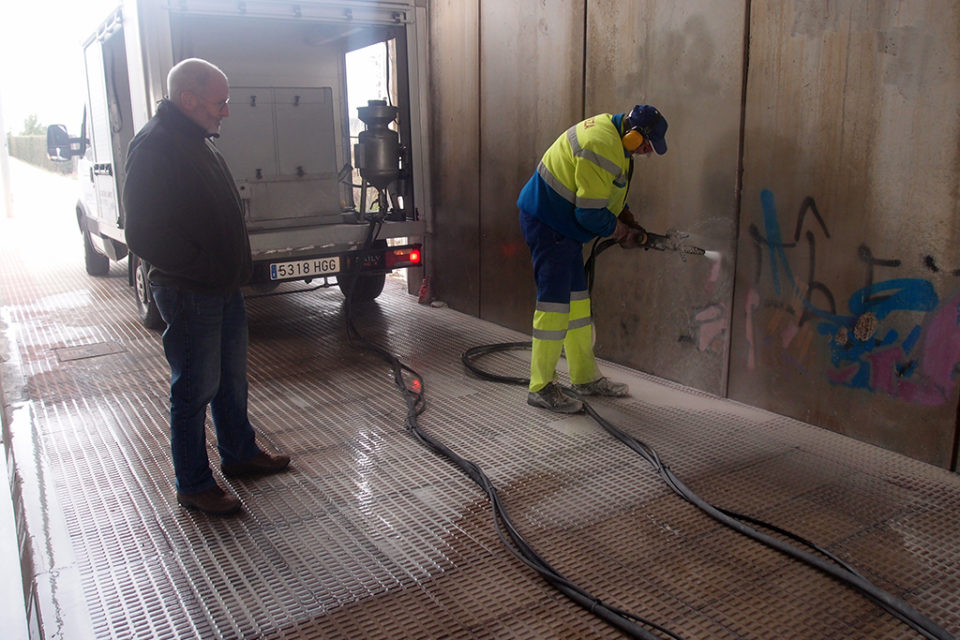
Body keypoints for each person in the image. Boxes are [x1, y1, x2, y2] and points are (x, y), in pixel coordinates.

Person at [123, 58, 290, 516]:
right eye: (222, 102)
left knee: (230, 381)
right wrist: (205, 269)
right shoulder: (155, 146)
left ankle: (239, 454)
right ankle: (193, 482)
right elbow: (142, 233)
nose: (227, 112)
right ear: (189, 99)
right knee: (194, 389)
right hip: (190, 290)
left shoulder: (197, 139)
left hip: (222, 287)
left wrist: (232, 267)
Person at [517, 104, 668, 413]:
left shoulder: (614, 138)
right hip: (548, 223)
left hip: (564, 227)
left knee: (578, 307)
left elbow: (603, 191)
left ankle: (585, 378)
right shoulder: (601, 144)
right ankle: (541, 386)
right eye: (646, 145)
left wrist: (624, 215)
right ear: (633, 135)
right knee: (555, 306)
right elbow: (588, 214)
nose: (646, 153)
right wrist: (623, 232)